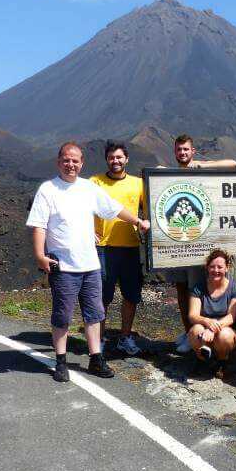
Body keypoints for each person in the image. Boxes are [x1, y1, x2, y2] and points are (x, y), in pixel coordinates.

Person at [26, 142, 150, 383]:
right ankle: (61, 360)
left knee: (94, 314)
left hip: (91, 264)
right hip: (63, 266)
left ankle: (96, 358)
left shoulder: (88, 188)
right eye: (66, 160)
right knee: (62, 315)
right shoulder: (47, 190)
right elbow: (39, 225)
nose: (70, 164)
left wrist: (137, 221)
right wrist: (40, 256)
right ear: (58, 161)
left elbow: (113, 209)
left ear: (81, 163)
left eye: (75, 161)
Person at [161, 134, 236, 354]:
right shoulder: (167, 175)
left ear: (192, 151)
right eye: (179, 150)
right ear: (174, 152)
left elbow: (233, 164)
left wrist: (201, 164)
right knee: (180, 288)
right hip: (175, 244)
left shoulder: (202, 170)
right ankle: (189, 332)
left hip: (198, 248)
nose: (183, 153)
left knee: (196, 289)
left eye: (186, 150)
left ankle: (202, 332)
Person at [90, 141, 145, 356]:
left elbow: (149, 209)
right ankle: (100, 338)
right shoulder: (95, 182)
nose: (116, 161)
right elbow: (82, 206)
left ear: (127, 159)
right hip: (103, 247)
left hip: (130, 246)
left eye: (119, 157)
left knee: (131, 294)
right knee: (102, 296)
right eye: (112, 157)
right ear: (107, 159)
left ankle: (125, 337)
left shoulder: (138, 183)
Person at [187, 249, 236, 374]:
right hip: (203, 328)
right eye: (212, 267)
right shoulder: (198, 287)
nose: (216, 270)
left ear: (227, 268)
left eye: (220, 267)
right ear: (207, 268)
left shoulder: (235, 288)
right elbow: (192, 315)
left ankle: (222, 361)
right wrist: (207, 322)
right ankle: (202, 359)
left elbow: (231, 317)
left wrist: (213, 328)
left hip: (226, 328)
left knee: (225, 336)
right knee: (195, 330)